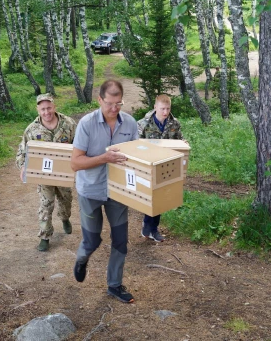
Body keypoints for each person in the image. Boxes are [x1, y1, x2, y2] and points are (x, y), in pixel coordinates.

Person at [70, 80, 138, 303]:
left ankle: (114, 285)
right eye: (110, 103)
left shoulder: (130, 124)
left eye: (119, 103)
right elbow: (76, 163)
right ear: (100, 100)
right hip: (90, 190)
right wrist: (104, 158)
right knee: (92, 240)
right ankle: (81, 259)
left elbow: (137, 157)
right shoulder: (86, 124)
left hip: (118, 193)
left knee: (120, 240)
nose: (114, 109)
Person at [16, 93, 77, 252]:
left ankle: (65, 218)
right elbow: (22, 152)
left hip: (64, 174)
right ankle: (45, 236)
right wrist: (23, 166)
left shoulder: (69, 124)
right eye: (42, 109)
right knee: (46, 204)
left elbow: (79, 145)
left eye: (49, 107)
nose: (46, 112)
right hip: (44, 175)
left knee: (66, 200)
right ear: (38, 109)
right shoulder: (31, 129)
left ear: (54, 106)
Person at [137, 94, 185, 243]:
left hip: (166, 166)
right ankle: (149, 226)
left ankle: (152, 228)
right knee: (150, 195)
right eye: (162, 108)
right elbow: (135, 145)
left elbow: (179, 141)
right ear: (155, 107)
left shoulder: (174, 124)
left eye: (168, 108)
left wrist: (183, 143)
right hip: (147, 165)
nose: (165, 112)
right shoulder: (143, 124)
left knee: (161, 196)